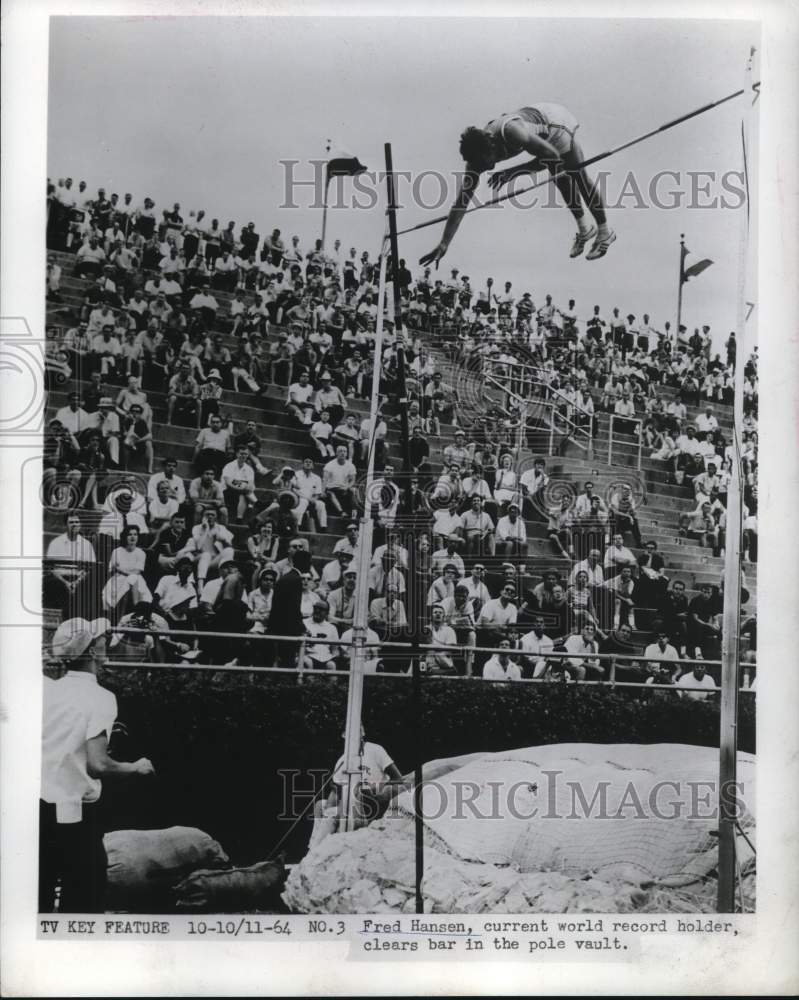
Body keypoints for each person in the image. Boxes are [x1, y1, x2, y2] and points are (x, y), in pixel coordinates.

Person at [40, 617, 155, 912]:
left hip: (38, 811)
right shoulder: (102, 698)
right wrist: (136, 767)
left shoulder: (48, 691)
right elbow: (98, 764)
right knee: (83, 903)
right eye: (101, 638)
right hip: (77, 817)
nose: (107, 641)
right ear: (91, 651)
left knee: (38, 901)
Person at [420, 103, 615, 266]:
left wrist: (512, 172)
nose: (485, 169)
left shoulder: (512, 133)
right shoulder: (475, 160)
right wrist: (444, 243)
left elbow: (552, 156)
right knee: (559, 177)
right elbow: (461, 203)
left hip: (555, 124)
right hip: (538, 134)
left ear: (492, 148)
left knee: (574, 174)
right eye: (479, 166)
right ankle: (585, 230)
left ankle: (604, 232)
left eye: (486, 163)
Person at [309, 727, 407, 849]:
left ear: (363, 733)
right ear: (344, 735)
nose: (354, 735)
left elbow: (398, 778)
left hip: (372, 804)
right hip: (350, 805)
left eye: (358, 730)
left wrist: (378, 788)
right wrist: (332, 805)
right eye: (349, 732)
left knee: (331, 813)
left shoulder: (375, 750)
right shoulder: (343, 760)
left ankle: (314, 851)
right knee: (320, 805)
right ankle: (313, 848)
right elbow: (336, 790)